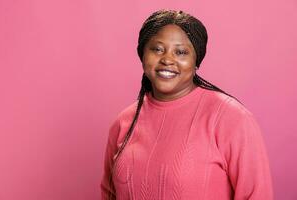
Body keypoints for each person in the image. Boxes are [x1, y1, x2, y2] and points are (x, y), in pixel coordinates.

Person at [100, 9, 273, 200]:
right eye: (157, 49)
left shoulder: (230, 118)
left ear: (196, 61)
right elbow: (108, 194)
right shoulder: (124, 122)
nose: (167, 59)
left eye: (181, 52)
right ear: (142, 54)